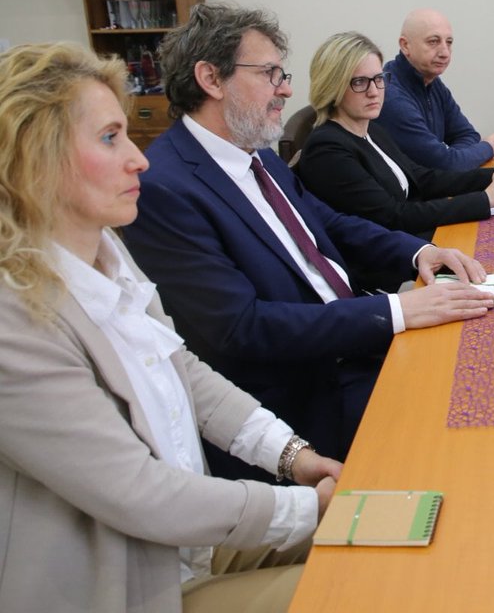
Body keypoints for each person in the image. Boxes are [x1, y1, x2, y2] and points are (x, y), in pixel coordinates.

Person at [0, 42, 343, 612]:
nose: (139, 159)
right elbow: (138, 493)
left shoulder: (107, 251)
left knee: (393, 534)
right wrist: (310, 506)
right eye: (110, 138)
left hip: (187, 546)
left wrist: (295, 456)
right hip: (130, 585)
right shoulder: (16, 320)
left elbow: (182, 369)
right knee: (366, 587)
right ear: (37, 159)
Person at [122, 4, 494, 481]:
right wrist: (397, 311)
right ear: (211, 79)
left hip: (356, 339)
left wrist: (419, 252)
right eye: (270, 74)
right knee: (469, 450)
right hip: (306, 398)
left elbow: (329, 223)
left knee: (489, 359)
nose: (286, 89)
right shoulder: (165, 188)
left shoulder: (255, 153)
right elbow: (243, 328)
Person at [296, 31, 494, 241]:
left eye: (379, 79)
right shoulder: (327, 149)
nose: (374, 91)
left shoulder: (371, 129)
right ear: (332, 86)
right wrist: (486, 200)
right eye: (359, 82)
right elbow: (395, 217)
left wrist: (493, 176)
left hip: (417, 237)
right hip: (395, 260)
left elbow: (423, 179)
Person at [377, 8, 494, 170]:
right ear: (405, 45)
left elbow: (467, 134)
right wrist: (487, 148)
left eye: (449, 42)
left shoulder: (432, 82)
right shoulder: (390, 94)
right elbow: (447, 165)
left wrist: (453, 157)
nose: (445, 53)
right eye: (433, 41)